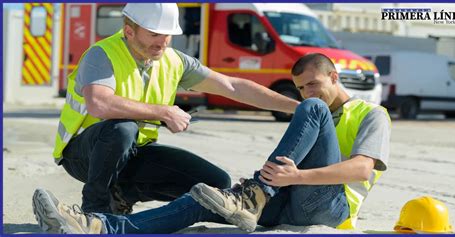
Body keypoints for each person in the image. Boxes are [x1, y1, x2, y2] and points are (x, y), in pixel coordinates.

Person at [33, 53, 391, 234]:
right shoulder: (314, 111)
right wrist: (285, 182)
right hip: (287, 204)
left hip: (331, 209)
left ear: (334, 75)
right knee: (204, 197)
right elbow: (236, 88)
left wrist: (293, 177)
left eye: (314, 84)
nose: (308, 93)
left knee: (311, 111)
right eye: (300, 88)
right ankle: (100, 226)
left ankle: (255, 192)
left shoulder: (371, 113)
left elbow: (361, 168)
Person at [49, 2, 299, 218]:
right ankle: (95, 210)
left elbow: (233, 87)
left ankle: (122, 195)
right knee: (121, 129)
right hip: (83, 155)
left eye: (168, 35)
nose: (163, 42)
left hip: (133, 152)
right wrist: (164, 112)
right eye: (155, 34)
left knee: (216, 184)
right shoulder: (101, 54)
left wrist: (296, 108)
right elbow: (99, 104)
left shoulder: (173, 60)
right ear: (129, 31)